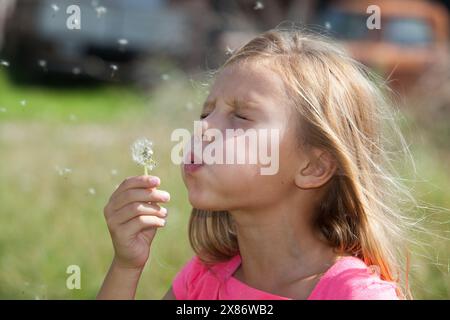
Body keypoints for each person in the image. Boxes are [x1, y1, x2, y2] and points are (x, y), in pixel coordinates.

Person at [97, 29, 412, 300]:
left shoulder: (355, 294)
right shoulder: (202, 281)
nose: (202, 129)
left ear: (313, 167)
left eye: (241, 117)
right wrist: (127, 265)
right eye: (206, 113)